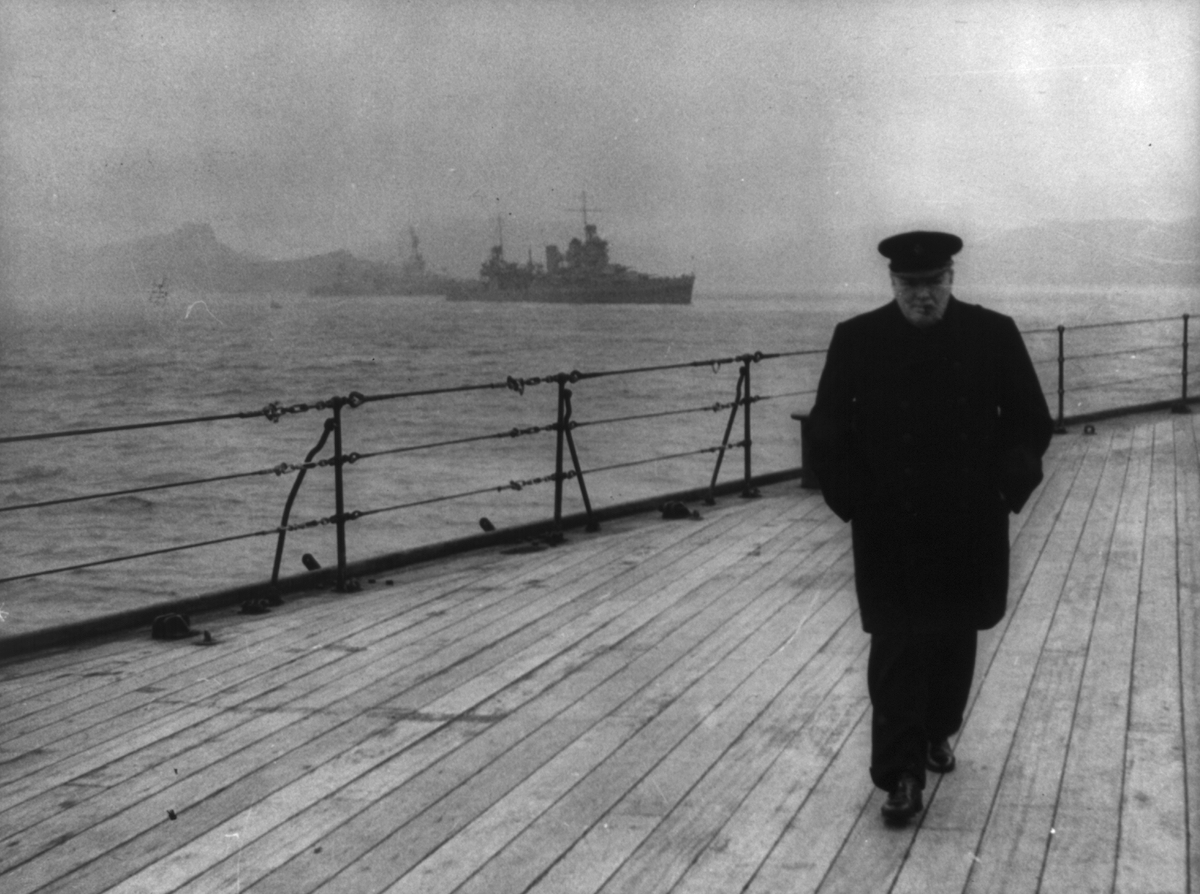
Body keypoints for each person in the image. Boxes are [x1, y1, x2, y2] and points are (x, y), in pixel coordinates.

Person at [807, 230, 1053, 825]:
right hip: (890, 525)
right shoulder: (857, 338)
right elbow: (826, 430)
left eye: (933, 284)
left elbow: (1032, 421)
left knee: (953, 637)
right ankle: (900, 774)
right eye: (910, 286)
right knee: (895, 645)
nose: (923, 296)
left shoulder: (993, 333)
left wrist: (1004, 488)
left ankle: (939, 729)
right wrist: (855, 500)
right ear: (893, 284)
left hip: (967, 520)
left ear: (951, 280)